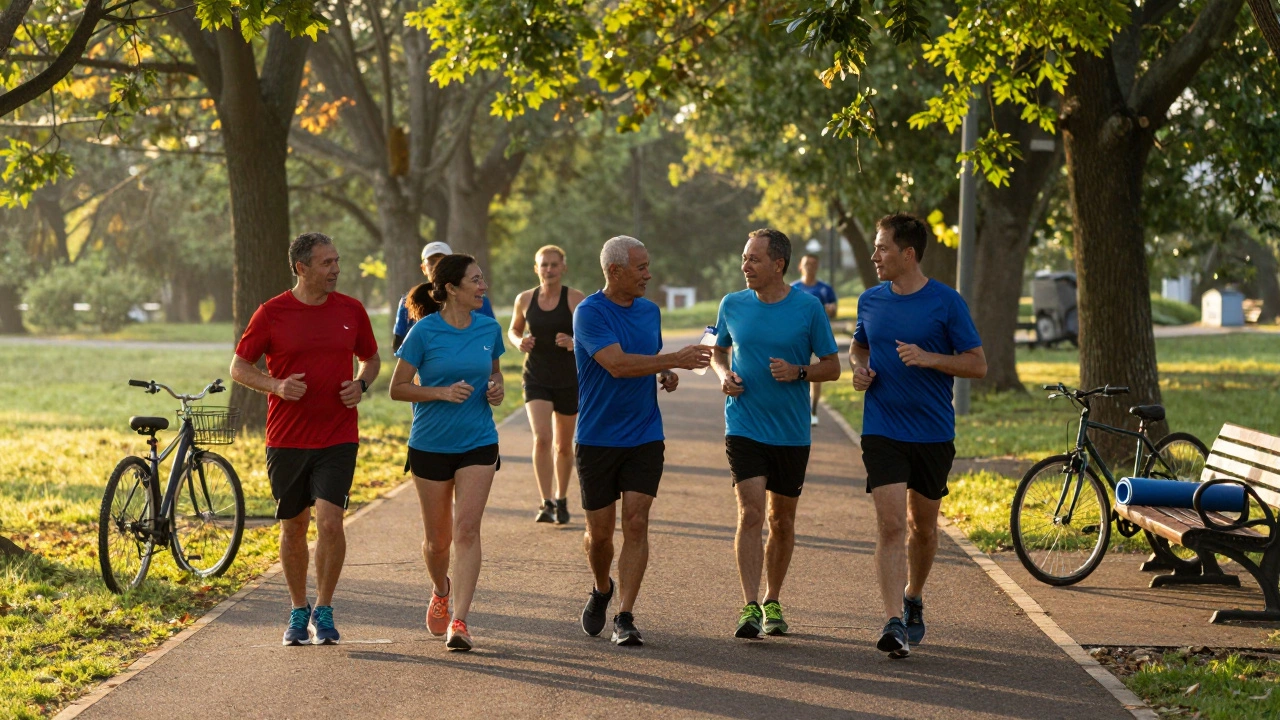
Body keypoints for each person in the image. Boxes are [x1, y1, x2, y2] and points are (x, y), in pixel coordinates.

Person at [230, 232, 380, 646]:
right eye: (326, 263)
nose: (336, 269)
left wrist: (361, 385)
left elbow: (371, 357)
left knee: (330, 522)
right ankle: (298, 610)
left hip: (338, 435)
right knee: (294, 525)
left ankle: (325, 608)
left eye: (337, 261)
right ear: (301, 268)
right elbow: (239, 367)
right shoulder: (272, 313)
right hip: (287, 439)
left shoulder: (351, 309)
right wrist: (276, 386)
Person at [850, 214, 986, 659]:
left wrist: (929, 358)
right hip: (882, 428)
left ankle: (913, 595)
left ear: (908, 254)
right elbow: (859, 345)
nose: (875, 256)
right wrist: (859, 369)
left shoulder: (947, 303)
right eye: (875, 248)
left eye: (883, 248)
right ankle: (892, 621)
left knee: (922, 529)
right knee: (890, 526)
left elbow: (977, 364)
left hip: (931, 431)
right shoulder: (869, 300)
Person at [574, 235, 713, 646]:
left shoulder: (650, 311)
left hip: (644, 433)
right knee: (600, 535)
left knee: (636, 520)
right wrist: (674, 359)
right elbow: (616, 364)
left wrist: (662, 375)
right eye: (641, 268)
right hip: (598, 437)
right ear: (614, 271)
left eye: (648, 266)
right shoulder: (589, 313)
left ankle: (626, 616)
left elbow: (643, 360)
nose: (648, 275)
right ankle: (602, 588)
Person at [712, 230, 840, 640]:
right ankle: (749, 605)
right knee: (750, 512)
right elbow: (716, 349)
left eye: (754, 259)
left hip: (790, 432)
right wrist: (723, 375)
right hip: (744, 423)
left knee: (781, 520)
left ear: (778, 265)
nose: (745, 266)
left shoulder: (808, 308)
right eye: (744, 258)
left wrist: (799, 371)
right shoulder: (732, 304)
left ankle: (772, 600)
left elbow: (833, 366)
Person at [389, 254, 506, 652]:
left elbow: (494, 373)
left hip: (478, 439)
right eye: (476, 280)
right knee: (438, 542)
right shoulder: (423, 332)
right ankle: (441, 588)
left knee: (467, 531)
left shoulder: (489, 328)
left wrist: (496, 388)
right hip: (430, 444)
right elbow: (398, 387)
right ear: (452, 288)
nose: (483, 286)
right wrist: (439, 392)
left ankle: (461, 620)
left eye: (482, 278)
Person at [507, 245, 585, 524]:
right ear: (536, 268)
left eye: (554, 264)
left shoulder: (576, 299)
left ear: (563, 267)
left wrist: (574, 343)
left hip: (568, 379)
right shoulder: (525, 299)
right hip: (536, 376)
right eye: (544, 265)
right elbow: (514, 329)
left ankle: (561, 498)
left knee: (564, 446)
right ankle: (545, 502)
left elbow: (594, 335)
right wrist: (519, 341)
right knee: (542, 438)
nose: (549, 270)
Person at [393, 241, 495, 352]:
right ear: (423, 268)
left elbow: (491, 337)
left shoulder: (479, 300)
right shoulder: (408, 301)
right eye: (432, 262)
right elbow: (399, 342)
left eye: (442, 261)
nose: (437, 266)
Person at [791, 253, 838, 426]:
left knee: (814, 372)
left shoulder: (825, 290)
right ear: (800, 266)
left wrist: (830, 310)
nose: (810, 266)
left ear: (817, 266)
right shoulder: (793, 288)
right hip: (798, 338)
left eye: (813, 264)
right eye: (807, 263)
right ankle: (797, 408)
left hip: (818, 338)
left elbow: (833, 312)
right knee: (795, 371)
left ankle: (813, 409)